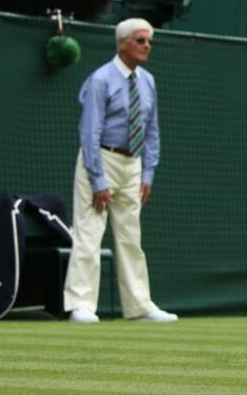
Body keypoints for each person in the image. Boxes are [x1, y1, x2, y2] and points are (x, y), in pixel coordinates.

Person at [64, 19, 177, 324]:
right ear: (123, 43)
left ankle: (139, 306)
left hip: (133, 165)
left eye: (149, 41)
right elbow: (90, 131)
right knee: (89, 233)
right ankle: (80, 305)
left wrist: (147, 172)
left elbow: (152, 130)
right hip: (100, 159)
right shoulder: (101, 80)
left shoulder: (148, 81)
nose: (147, 46)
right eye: (141, 40)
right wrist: (97, 177)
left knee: (130, 237)